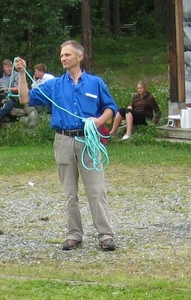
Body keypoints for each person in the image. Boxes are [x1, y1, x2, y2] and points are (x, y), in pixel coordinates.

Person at [14, 41, 118, 252]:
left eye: (67, 55)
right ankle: (74, 235)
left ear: (79, 57)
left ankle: (105, 236)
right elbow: (25, 98)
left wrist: (97, 122)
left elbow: (111, 108)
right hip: (63, 140)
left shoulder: (95, 83)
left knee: (96, 190)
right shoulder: (55, 85)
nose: (63, 58)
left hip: (88, 140)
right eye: (61, 55)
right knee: (70, 193)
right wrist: (22, 74)